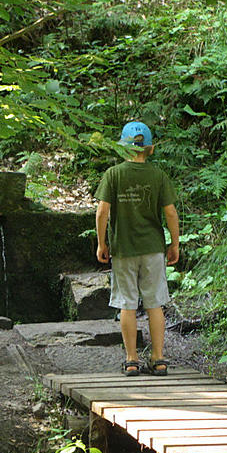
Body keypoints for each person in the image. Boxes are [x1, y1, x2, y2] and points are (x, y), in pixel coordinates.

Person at [95, 121, 180, 376]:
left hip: (123, 249)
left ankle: (132, 359)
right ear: (150, 149)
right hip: (153, 249)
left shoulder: (114, 174)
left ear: (123, 148)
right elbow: (171, 213)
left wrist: (102, 243)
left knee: (127, 304)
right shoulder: (158, 176)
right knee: (155, 304)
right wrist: (174, 244)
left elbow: (102, 212)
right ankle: (158, 358)